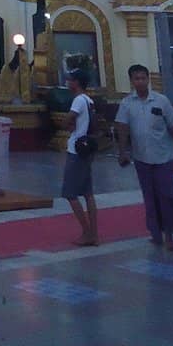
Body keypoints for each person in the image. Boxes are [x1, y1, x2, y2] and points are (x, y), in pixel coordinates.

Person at [115, 64, 173, 250]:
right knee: (150, 196)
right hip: (141, 158)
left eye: (143, 78)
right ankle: (155, 233)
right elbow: (122, 129)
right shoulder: (126, 104)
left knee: (166, 195)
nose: (140, 81)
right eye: (136, 78)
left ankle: (170, 235)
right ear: (131, 81)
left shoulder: (161, 101)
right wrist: (122, 152)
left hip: (164, 156)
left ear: (148, 79)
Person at [60, 68, 98, 246]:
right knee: (88, 193)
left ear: (77, 82)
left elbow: (68, 119)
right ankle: (94, 233)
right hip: (87, 149)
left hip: (77, 150)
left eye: (70, 79)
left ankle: (87, 231)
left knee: (70, 193)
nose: (68, 82)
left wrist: (67, 125)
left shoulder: (78, 100)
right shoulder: (89, 100)